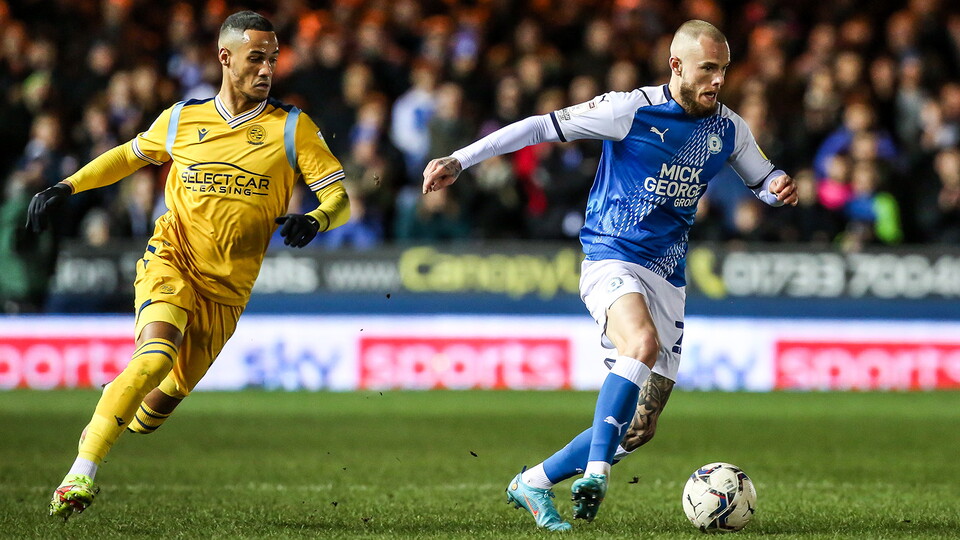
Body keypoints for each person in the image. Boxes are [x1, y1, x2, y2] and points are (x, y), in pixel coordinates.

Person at [422, 19, 797, 531]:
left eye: (724, 70)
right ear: (677, 66)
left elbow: (761, 176)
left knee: (641, 426)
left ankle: (532, 481)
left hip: (668, 274)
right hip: (612, 257)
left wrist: (776, 186)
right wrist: (461, 159)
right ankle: (596, 472)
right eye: (708, 69)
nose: (717, 81)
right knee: (638, 345)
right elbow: (538, 126)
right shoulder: (629, 109)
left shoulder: (729, 128)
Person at [29, 11, 350, 521]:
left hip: (228, 291)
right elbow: (128, 156)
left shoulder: (291, 127)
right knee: (155, 356)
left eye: (272, 58)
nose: (267, 68)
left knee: (156, 406)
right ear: (225, 58)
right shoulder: (182, 118)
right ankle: (80, 473)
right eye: (255, 58)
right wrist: (66, 186)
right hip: (172, 258)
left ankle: (118, 399)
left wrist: (315, 220)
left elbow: (339, 197)